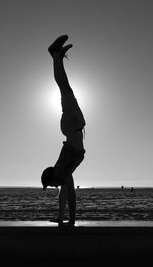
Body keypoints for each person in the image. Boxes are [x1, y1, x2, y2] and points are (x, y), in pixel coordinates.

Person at [41, 35, 86, 227]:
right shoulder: (65, 171)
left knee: (64, 87)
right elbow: (66, 194)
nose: (55, 187)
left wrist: (72, 221)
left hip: (71, 124)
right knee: (64, 87)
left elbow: (70, 195)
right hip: (71, 126)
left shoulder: (63, 170)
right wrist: (63, 219)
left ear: (53, 176)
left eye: (52, 184)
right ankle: (57, 57)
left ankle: (55, 55)